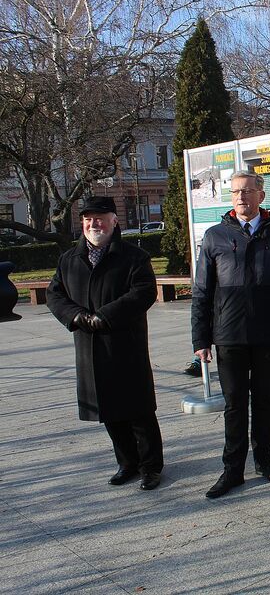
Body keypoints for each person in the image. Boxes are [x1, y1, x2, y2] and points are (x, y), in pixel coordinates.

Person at [191, 170, 270, 499]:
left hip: (268, 335)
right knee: (234, 404)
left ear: (261, 196)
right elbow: (201, 291)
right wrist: (201, 339)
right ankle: (232, 470)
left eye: (247, 191)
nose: (241, 197)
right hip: (228, 336)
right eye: (235, 192)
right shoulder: (215, 237)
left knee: (265, 402)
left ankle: (265, 462)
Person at [46, 196, 164, 491]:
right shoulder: (69, 259)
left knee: (139, 411)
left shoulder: (133, 256)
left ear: (114, 221)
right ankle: (127, 463)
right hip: (89, 346)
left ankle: (150, 467)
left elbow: (144, 292)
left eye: (99, 218)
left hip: (125, 344)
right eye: (87, 218)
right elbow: (54, 294)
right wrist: (76, 317)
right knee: (108, 410)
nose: (93, 224)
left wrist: (105, 316)